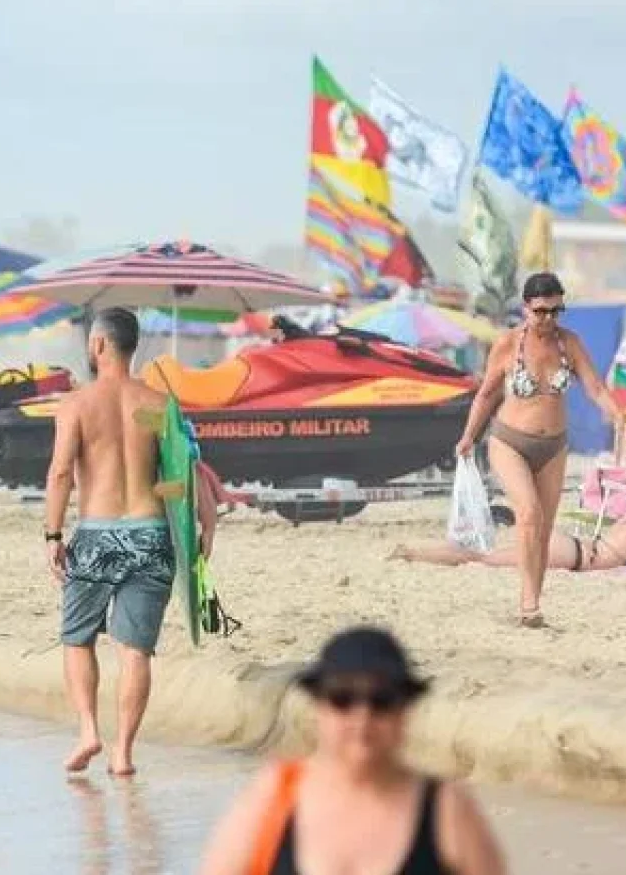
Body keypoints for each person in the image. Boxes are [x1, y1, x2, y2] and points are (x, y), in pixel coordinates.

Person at [199, 627, 507, 875]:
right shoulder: (275, 799)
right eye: (342, 699)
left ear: (404, 709)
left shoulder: (445, 810)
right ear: (318, 706)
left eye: (381, 700)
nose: (362, 717)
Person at [44, 307, 181, 777]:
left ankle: (88, 730)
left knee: (77, 638)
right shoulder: (158, 404)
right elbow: (175, 479)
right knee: (135, 650)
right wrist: (191, 532)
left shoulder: (77, 404)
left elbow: (61, 472)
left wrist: (53, 533)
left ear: (98, 344)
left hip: (96, 537)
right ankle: (123, 753)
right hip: (151, 533)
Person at [452, 273, 622, 628]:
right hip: (509, 442)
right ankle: (528, 604)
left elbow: (594, 386)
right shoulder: (507, 344)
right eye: (541, 311)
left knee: (543, 530)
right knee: (529, 513)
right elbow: (486, 395)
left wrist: (618, 415)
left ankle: (532, 601)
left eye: (556, 311)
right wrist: (469, 436)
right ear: (525, 308)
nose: (548, 319)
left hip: (554, 447)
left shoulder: (569, 343)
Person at [390, 489, 626, 573]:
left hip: (571, 546)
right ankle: (413, 553)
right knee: (481, 559)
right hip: (573, 555)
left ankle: (413, 552)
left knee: (481, 556)